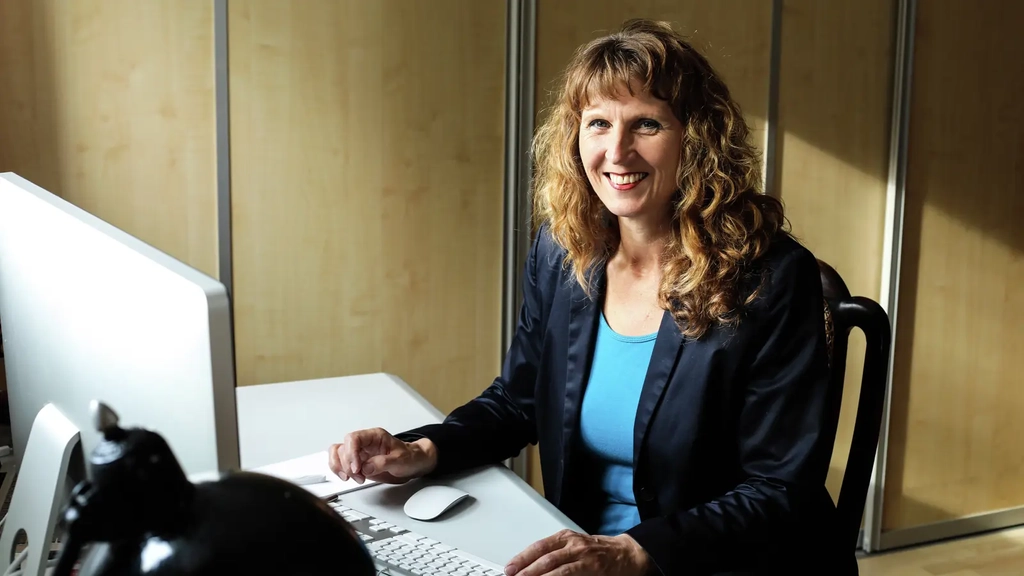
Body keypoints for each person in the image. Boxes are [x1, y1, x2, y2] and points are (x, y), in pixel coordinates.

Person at [328, 18, 856, 576]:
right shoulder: (563, 251)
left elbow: (780, 487)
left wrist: (637, 551)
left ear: (696, 140)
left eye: (646, 124)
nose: (617, 150)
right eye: (598, 123)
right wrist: (422, 451)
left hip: (708, 561)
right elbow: (518, 400)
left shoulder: (770, 278)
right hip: (580, 549)